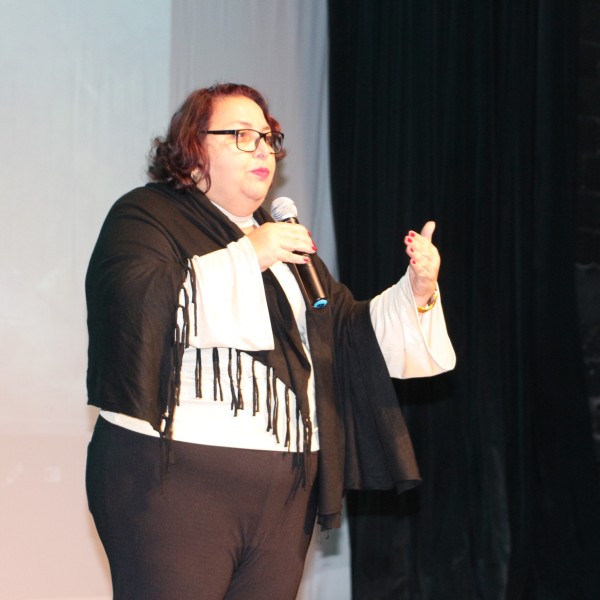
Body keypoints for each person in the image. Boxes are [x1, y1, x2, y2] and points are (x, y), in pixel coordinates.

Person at [85, 82, 456, 600]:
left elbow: (344, 334)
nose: (263, 147)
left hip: (285, 491)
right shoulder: (146, 215)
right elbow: (133, 304)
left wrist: (416, 291)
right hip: (176, 483)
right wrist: (249, 255)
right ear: (192, 148)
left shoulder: (278, 240)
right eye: (242, 134)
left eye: (268, 136)